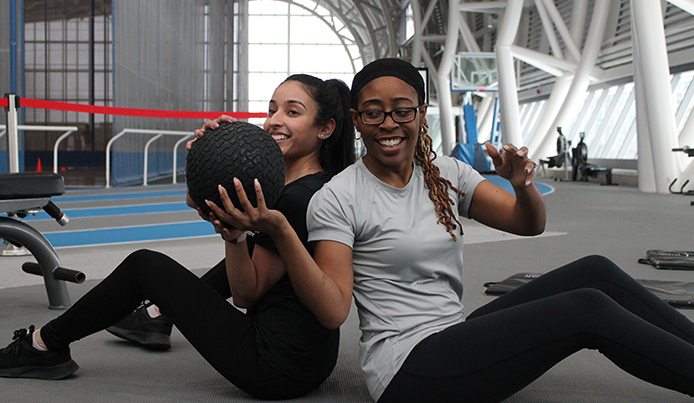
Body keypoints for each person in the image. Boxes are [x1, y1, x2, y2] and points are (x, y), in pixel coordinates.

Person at [207, 58, 694, 402]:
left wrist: (522, 185)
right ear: (357, 121)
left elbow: (528, 224)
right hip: (407, 370)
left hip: (451, 334)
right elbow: (334, 310)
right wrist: (281, 231)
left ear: (420, 113)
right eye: (373, 112)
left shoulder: (445, 173)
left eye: (403, 109)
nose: (389, 123)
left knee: (596, 272)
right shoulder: (338, 196)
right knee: (587, 309)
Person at [0, 74, 355, 400]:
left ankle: (43, 346)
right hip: (308, 361)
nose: (275, 119)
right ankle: (156, 314)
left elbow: (246, 293)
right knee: (238, 250)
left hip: (274, 366)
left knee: (144, 267)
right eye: (272, 109)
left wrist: (234, 239)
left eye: (293, 112)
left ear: (325, 128)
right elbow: (196, 201)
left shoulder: (294, 200)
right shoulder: (297, 185)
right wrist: (209, 156)